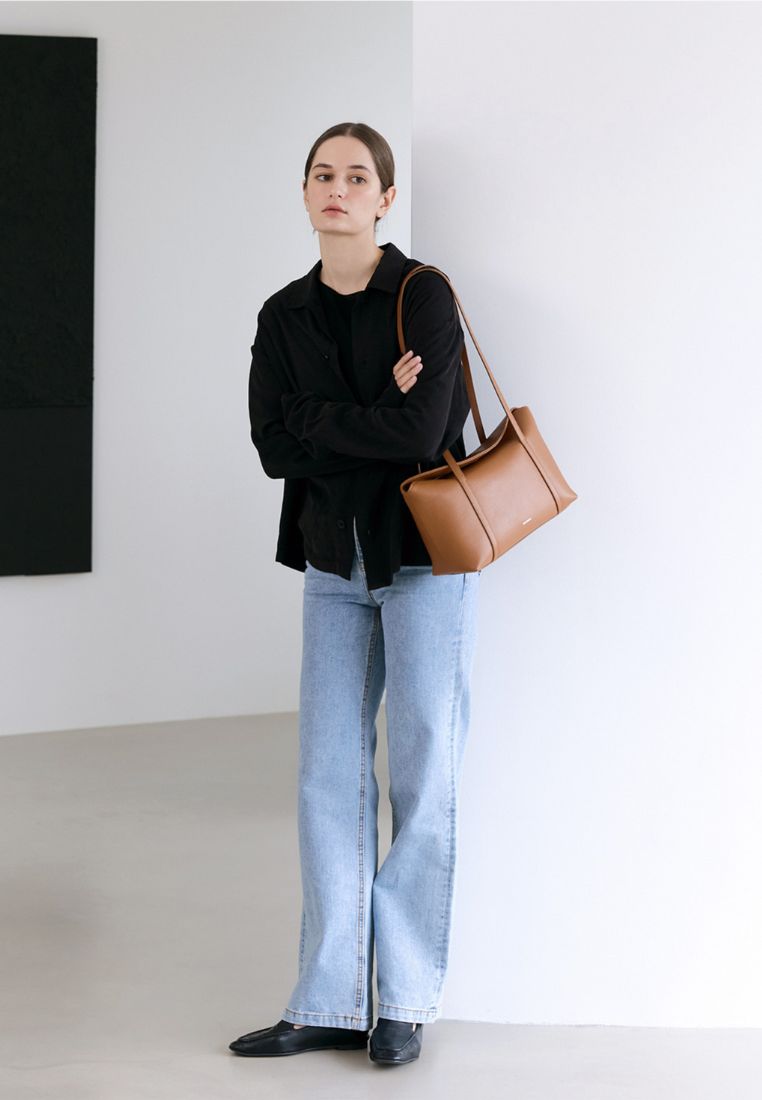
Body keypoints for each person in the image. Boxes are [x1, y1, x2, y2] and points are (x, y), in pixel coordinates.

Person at [229, 122, 480, 1067]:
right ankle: (331, 1000)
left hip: (422, 561)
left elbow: (422, 434)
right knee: (326, 779)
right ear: (305, 193)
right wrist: (373, 411)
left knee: (421, 772)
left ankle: (403, 1000)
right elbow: (273, 448)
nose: (338, 188)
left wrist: (323, 418)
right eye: (322, 174)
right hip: (334, 561)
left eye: (357, 176)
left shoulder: (423, 295)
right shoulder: (282, 315)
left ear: (385, 198)